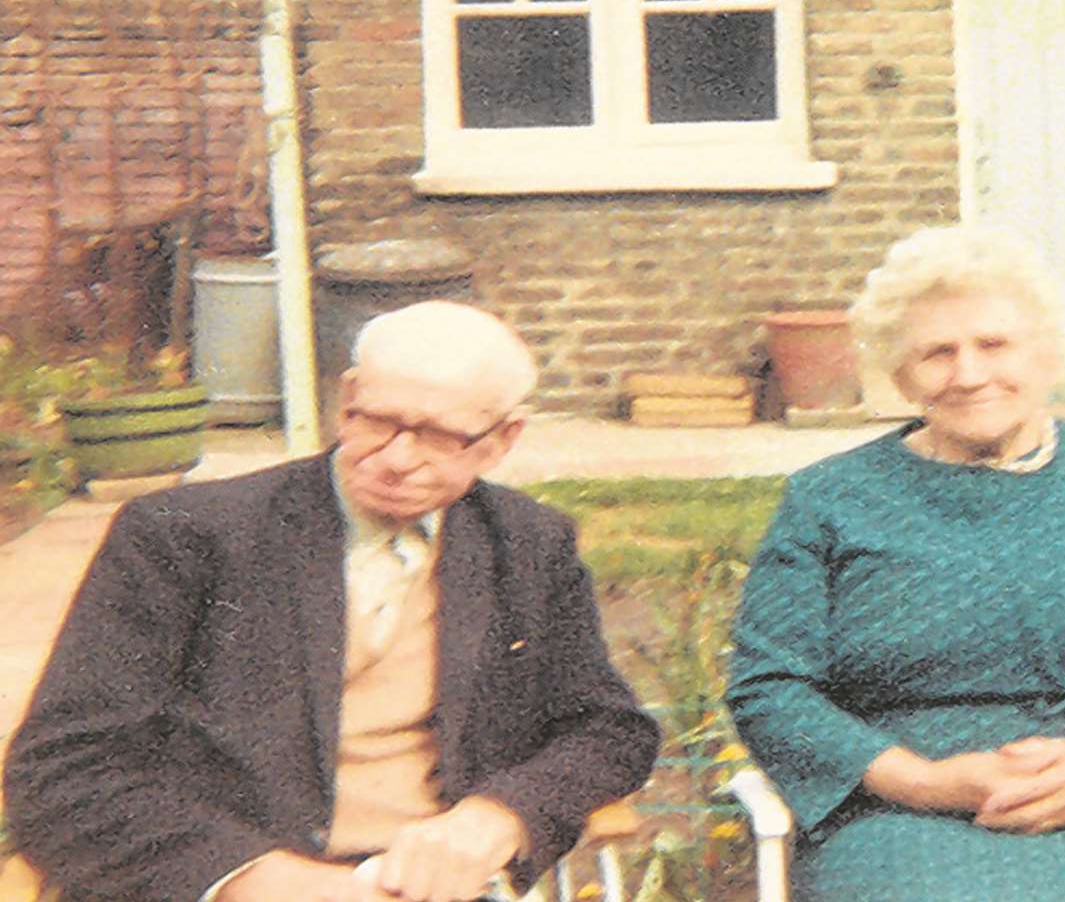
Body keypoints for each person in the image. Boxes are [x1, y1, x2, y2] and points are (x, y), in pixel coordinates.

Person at [4, 301, 659, 902]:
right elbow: (61, 769)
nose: (396, 458)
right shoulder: (185, 536)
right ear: (347, 400)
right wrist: (253, 878)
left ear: (503, 439)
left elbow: (608, 730)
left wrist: (501, 816)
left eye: (437, 435)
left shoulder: (526, 542)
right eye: (376, 420)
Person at [725, 227, 1065, 901]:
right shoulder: (829, 500)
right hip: (906, 821)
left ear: (1047, 353)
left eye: (994, 345)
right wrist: (923, 782)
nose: (968, 374)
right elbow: (771, 686)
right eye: (937, 353)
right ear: (900, 373)